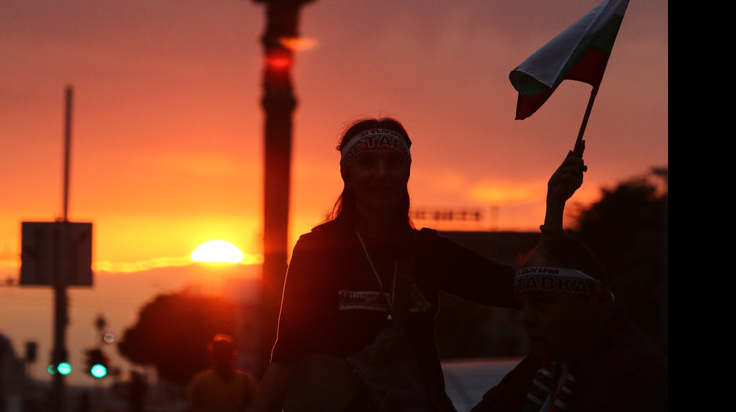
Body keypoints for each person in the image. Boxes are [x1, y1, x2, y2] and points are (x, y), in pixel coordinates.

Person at [250, 117, 586, 412]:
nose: (381, 174)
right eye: (367, 162)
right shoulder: (317, 250)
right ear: (347, 173)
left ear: (407, 171)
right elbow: (286, 355)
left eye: (393, 162)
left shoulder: (429, 251)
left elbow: (523, 288)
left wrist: (554, 206)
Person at [471, 234, 668, 411]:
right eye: (523, 305)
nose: (525, 318)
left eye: (542, 302)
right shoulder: (550, 360)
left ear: (591, 301)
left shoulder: (635, 374)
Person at [187, 334, 260, 412]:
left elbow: (191, 406)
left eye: (225, 352)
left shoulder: (200, 381)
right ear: (233, 355)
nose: (223, 356)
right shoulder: (246, 381)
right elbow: (259, 406)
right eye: (220, 353)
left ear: (212, 355)